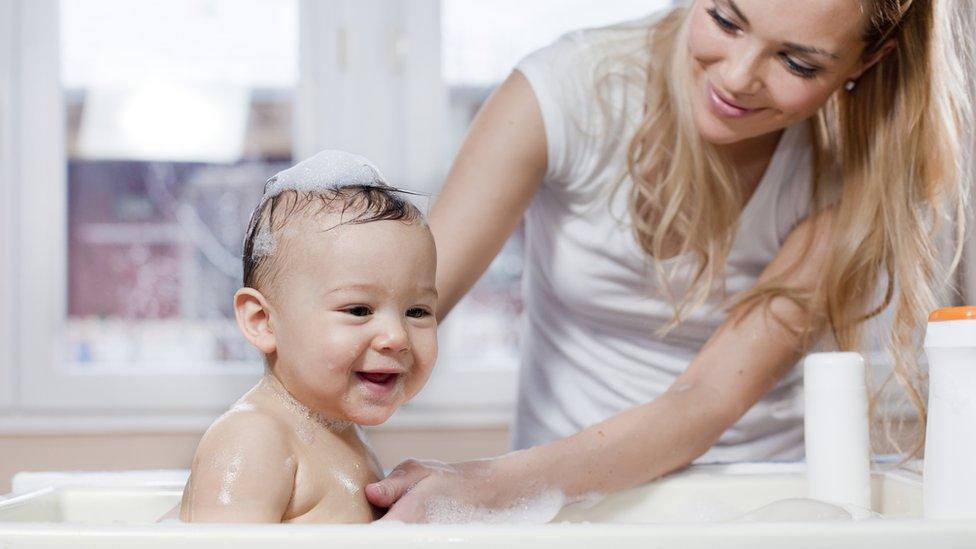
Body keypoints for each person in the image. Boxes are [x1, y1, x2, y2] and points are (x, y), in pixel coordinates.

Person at [364, 0, 970, 522]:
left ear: (867, 62)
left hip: (762, 502)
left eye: (797, 62)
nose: (736, 78)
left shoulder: (861, 171)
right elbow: (402, 312)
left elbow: (704, 400)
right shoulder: (566, 90)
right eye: (726, 20)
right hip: (558, 502)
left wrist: (487, 485)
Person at [179, 150, 438, 523]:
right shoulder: (254, 440)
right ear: (262, 321)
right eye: (358, 310)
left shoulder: (337, 433)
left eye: (418, 311)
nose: (396, 337)